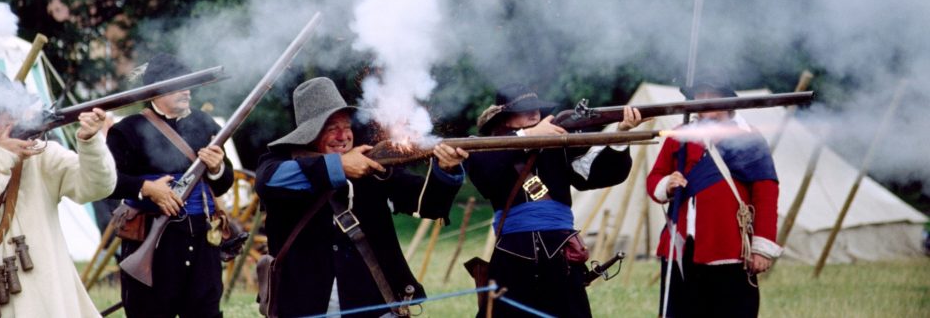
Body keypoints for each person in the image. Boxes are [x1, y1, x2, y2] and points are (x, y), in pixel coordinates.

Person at [254, 76, 468, 318]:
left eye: (346, 127)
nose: (343, 135)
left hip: (372, 301)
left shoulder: (371, 166)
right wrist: (340, 167)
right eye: (331, 128)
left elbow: (428, 203)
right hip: (304, 303)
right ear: (309, 134)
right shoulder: (278, 163)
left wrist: (446, 169)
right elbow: (267, 181)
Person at [0, 66, 116, 317]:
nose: (11, 115)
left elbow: (98, 187)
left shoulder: (42, 153)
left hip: (46, 299)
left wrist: (90, 142)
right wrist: (0, 157)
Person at [465, 83, 642, 318]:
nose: (534, 113)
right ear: (506, 119)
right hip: (512, 255)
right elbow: (482, 174)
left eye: (536, 108)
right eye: (524, 109)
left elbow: (594, 173)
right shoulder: (490, 148)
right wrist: (527, 136)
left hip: (559, 253)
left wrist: (621, 133)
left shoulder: (558, 144)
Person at [106, 53, 234, 318]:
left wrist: (216, 168)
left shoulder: (204, 124)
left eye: (188, 84)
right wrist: (147, 188)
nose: (186, 90)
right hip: (151, 240)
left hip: (201, 239)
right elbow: (108, 182)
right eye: (178, 84)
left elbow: (223, 183)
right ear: (155, 88)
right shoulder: (127, 130)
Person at [646, 79, 782, 318]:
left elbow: (766, 195)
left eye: (714, 94)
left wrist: (761, 247)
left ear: (728, 103)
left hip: (730, 246)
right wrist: (667, 184)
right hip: (681, 247)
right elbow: (654, 178)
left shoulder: (748, 138)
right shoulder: (679, 135)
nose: (706, 100)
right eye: (701, 95)